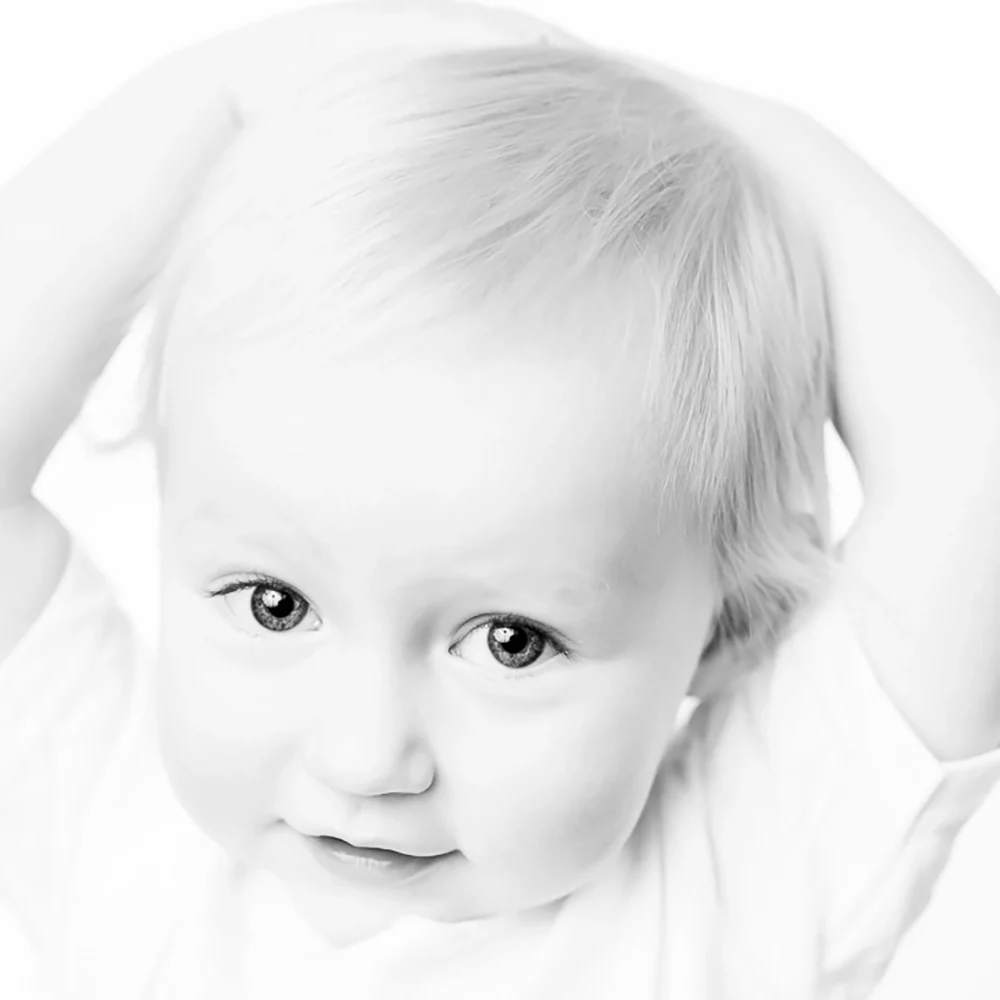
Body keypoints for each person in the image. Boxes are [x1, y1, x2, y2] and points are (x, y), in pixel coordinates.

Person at [1, 2, 998, 998]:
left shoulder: (737, 879)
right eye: (276, 603)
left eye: (512, 640)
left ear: (730, 622)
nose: (364, 758)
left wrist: (724, 129)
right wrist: (223, 92)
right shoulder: (125, 845)